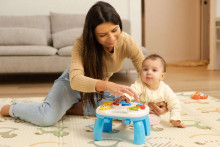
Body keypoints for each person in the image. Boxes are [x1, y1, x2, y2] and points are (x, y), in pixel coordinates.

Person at [0, 1, 167, 126]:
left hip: (97, 90)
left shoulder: (127, 41)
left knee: (124, 107)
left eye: (115, 30)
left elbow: (145, 72)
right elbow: (76, 80)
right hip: (71, 85)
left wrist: (160, 99)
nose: (111, 39)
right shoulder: (81, 44)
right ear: (92, 34)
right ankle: (9, 108)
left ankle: (69, 108)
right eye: (103, 35)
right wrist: (108, 86)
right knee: (47, 118)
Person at [114, 54, 185, 128]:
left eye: (154, 70)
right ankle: (119, 116)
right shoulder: (140, 83)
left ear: (162, 76)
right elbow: (133, 90)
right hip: (137, 109)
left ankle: (131, 121)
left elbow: (174, 104)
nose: (149, 72)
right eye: (145, 69)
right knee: (123, 108)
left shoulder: (165, 89)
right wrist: (127, 96)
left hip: (152, 113)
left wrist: (175, 119)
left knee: (155, 119)